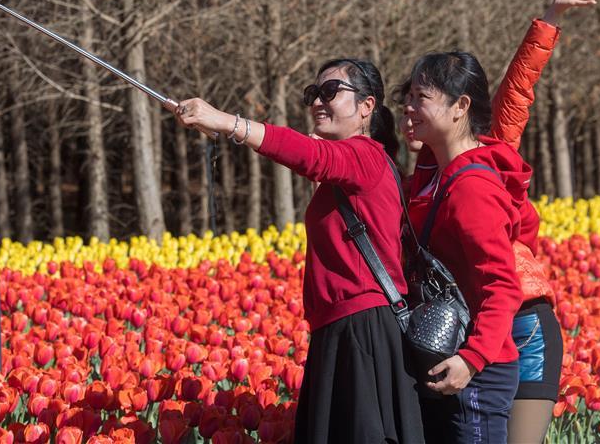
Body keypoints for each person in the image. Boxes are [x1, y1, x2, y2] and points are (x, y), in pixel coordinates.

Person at [400, 0, 600, 443]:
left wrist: (551, 17)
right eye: (406, 98)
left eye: (420, 98)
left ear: (459, 108)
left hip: (521, 325)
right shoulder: (421, 181)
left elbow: (517, 92)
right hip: (468, 329)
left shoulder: (483, 163)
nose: (409, 109)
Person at [173, 58, 424, 444]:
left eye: (330, 92)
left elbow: (311, 156)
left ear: (366, 107)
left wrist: (227, 122)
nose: (318, 102)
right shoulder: (353, 167)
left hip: (363, 327)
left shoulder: (366, 156)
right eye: (313, 94)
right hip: (340, 327)